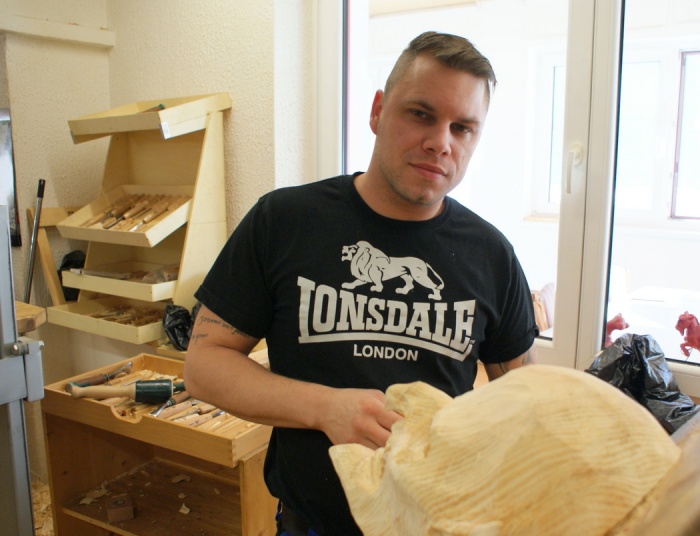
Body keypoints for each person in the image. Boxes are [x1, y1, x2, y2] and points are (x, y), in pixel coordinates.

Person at [184, 31, 539, 536]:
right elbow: (204, 365)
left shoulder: (492, 254)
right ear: (377, 111)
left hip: (436, 523)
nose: (441, 142)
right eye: (421, 114)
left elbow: (523, 400)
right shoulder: (284, 221)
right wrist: (325, 408)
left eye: (462, 128)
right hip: (313, 524)